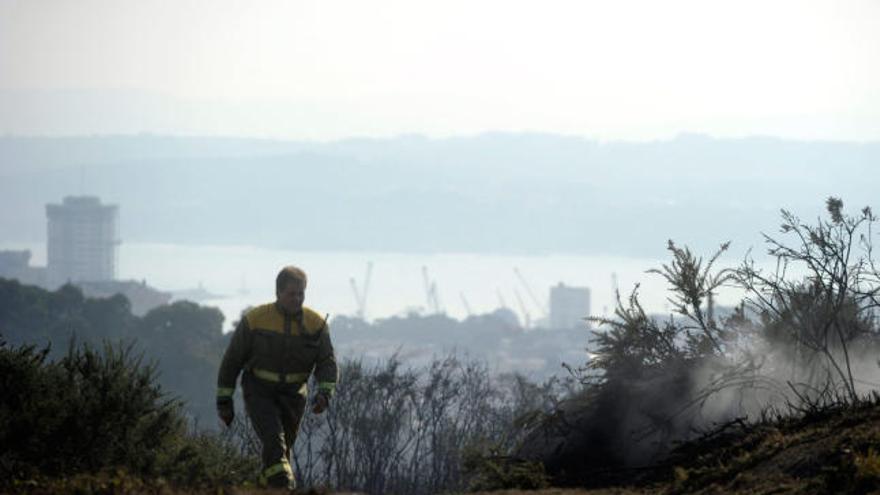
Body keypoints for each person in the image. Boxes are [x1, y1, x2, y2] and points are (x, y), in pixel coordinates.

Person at [217, 265, 338, 490]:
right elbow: (232, 361)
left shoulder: (316, 324)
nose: (297, 299)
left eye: (301, 293)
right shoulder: (255, 320)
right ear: (278, 293)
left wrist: (325, 393)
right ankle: (284, 486)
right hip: (259, 391)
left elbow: (327, 363)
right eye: (291, 294)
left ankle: (264, 486)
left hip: (295, 396)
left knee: (281, 453)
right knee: (274, 441)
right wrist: (224, 401)